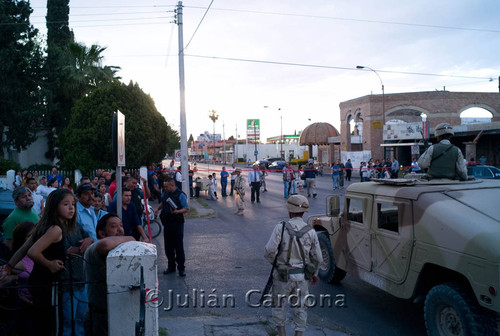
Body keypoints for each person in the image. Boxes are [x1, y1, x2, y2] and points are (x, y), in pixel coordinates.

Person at [264, 194, 322, 336]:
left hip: (282, 276)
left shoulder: (280, 228)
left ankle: (282, 334)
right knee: (301, 308)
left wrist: (277, 265)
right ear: (304, 212)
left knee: (279, 306)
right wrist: (314, 274)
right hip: (302, 277)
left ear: (289, 211)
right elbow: (318, 258)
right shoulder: (311, 231)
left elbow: (269, 251)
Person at [27, 189, 77, 335]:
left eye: (73, 204)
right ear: (55, 207)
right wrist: (49, 263)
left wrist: (8, 267)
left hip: (41, 283)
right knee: (51, 326)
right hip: (47, 284)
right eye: (66, 204)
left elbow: (25, 248)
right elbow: (32, 251)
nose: (71, 208)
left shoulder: (46, 226)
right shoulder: (55, 229)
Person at [84, 214, 135, 335]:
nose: (120, 230)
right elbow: (105, 244)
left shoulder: (117, 251)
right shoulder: (94, 248)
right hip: (100, 315)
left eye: (121, 226)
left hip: (116, 313)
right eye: (114, 227)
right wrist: (131, 238)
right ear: (102, 233)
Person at [154, 178, 189, 276]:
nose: (165, 188)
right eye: (164, 186)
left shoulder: (180, 195)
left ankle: (181, 268)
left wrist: (177, 211)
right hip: (167, 223)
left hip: (177, 223)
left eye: (166, 186)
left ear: (172, 185)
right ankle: (171, 266)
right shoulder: (165, 194)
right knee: (168, 247)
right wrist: (157, 209)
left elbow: (186, 208)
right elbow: (163, 202)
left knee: (178, 246)